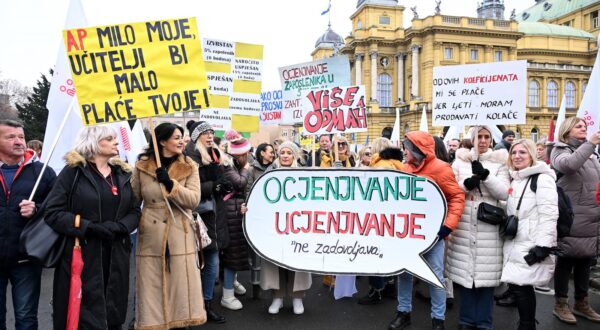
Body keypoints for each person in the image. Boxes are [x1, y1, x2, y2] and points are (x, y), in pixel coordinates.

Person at [44, 125, 139, 329]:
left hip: (116, 253)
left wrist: (120, 226)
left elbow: (135, 211)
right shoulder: (73, 173)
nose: (116, 142)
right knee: (83, 314)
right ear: (94, 143)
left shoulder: (122, 174)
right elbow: (52, 212)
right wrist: (88, 227)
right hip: (82, 252)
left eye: (115, 138)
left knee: (113, 311)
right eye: (110, 138)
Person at [389, 131, 465, 330]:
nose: (404, 151)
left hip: (433, 233)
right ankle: (403, 312)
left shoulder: (441, 169)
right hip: (407, 233)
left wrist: (447, 226)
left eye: (407, 147)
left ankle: (438, 319)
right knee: (404, 273)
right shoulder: (404, 169)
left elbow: (456, 197)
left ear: (417, 149)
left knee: (436, 275)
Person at [133, 122, 206, 328]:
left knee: (180, 291)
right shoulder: (142, 166)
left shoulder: (189, 165)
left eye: (182, 136)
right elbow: (133, 198)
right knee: (152, 290)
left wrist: (170, 184)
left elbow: (193, 200)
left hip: (179, 234)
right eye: (176, 137)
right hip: (151, 237)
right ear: (162, 141)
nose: (182, 140)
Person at [447, 125, 510, 330]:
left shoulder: (500, 162)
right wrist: (467, 183)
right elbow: (451, 190)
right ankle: (466, 320)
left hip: (488, 226)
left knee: (486, 278)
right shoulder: (459, 161)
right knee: (465, 278)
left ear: (491, 139)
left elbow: (504, 193)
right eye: (479, 136)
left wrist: (486, 176)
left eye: (486, 137)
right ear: (472, 138)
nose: (482, 141)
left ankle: (483, 322)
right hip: (464, 223)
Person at [0, 120, 55, 330]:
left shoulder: (43, 172)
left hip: (26, 256)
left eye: (21, 137)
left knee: (25, 317)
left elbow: (59, 207)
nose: (18, 142)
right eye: (10, 137)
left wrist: (37, 208)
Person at [501, 139, 558, 330]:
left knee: (523, 287)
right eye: (514, 153)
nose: (517, 156)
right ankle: (526, 324)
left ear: (532, 155)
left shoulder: (542, 178)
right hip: (518, 240)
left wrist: (543, 245)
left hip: (531, 242)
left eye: (522, 153)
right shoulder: (517, 178)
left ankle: (527, 325)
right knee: (519, 286)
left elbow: (549, 213)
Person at [550, 116, 600, 324]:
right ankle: (560, 304)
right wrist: (590, 144)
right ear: (567, 130)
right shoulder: (559, 150)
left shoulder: (592, 155)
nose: (583, 128)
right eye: (578, 126)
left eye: (585, 126)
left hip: (591, 216)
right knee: (566, 259)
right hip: (571, 217)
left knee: (585, 260)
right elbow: (569, 166)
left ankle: (582, 302)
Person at [255, 141, 312, 314]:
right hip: (275, 226)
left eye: (289, 152)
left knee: (296, 261)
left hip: (298, 225)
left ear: (294, 155)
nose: (285, 155)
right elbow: (259, 196)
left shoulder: (303, 174)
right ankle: (277, 297)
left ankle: (297, 298)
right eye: (282, 153)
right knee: (275, 261)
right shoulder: (268, 174)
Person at [185, 120, 226, 323]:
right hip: (198, 216)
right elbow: (191, 188)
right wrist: (215, 186)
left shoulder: (214, 155)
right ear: (196, 137)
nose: (210, 136)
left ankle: (207, 303)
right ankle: (195, 305)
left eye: (211, 132)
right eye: (205, 133)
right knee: (198, 262)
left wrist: (221, 186)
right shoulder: (189, 157)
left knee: (212, 260)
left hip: (213, 215)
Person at [218, 129, 252, 310]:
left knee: (237, 252)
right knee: (232, 253)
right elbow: (239, 183)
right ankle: (227, 294)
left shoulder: (232, 164)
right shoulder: (227, 165)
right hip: (230, 212)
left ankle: (233, 283)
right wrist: (246, 171)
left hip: (235, 210)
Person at [245, 142, 275, 298]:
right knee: (255, 254)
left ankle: (272, 286)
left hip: (272, 216)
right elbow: (248, 190)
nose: (273, 154)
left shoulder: (276, 169)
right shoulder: (252, 169)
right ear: (262, 153)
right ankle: (255, 287)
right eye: (271, 151)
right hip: (257, 216)